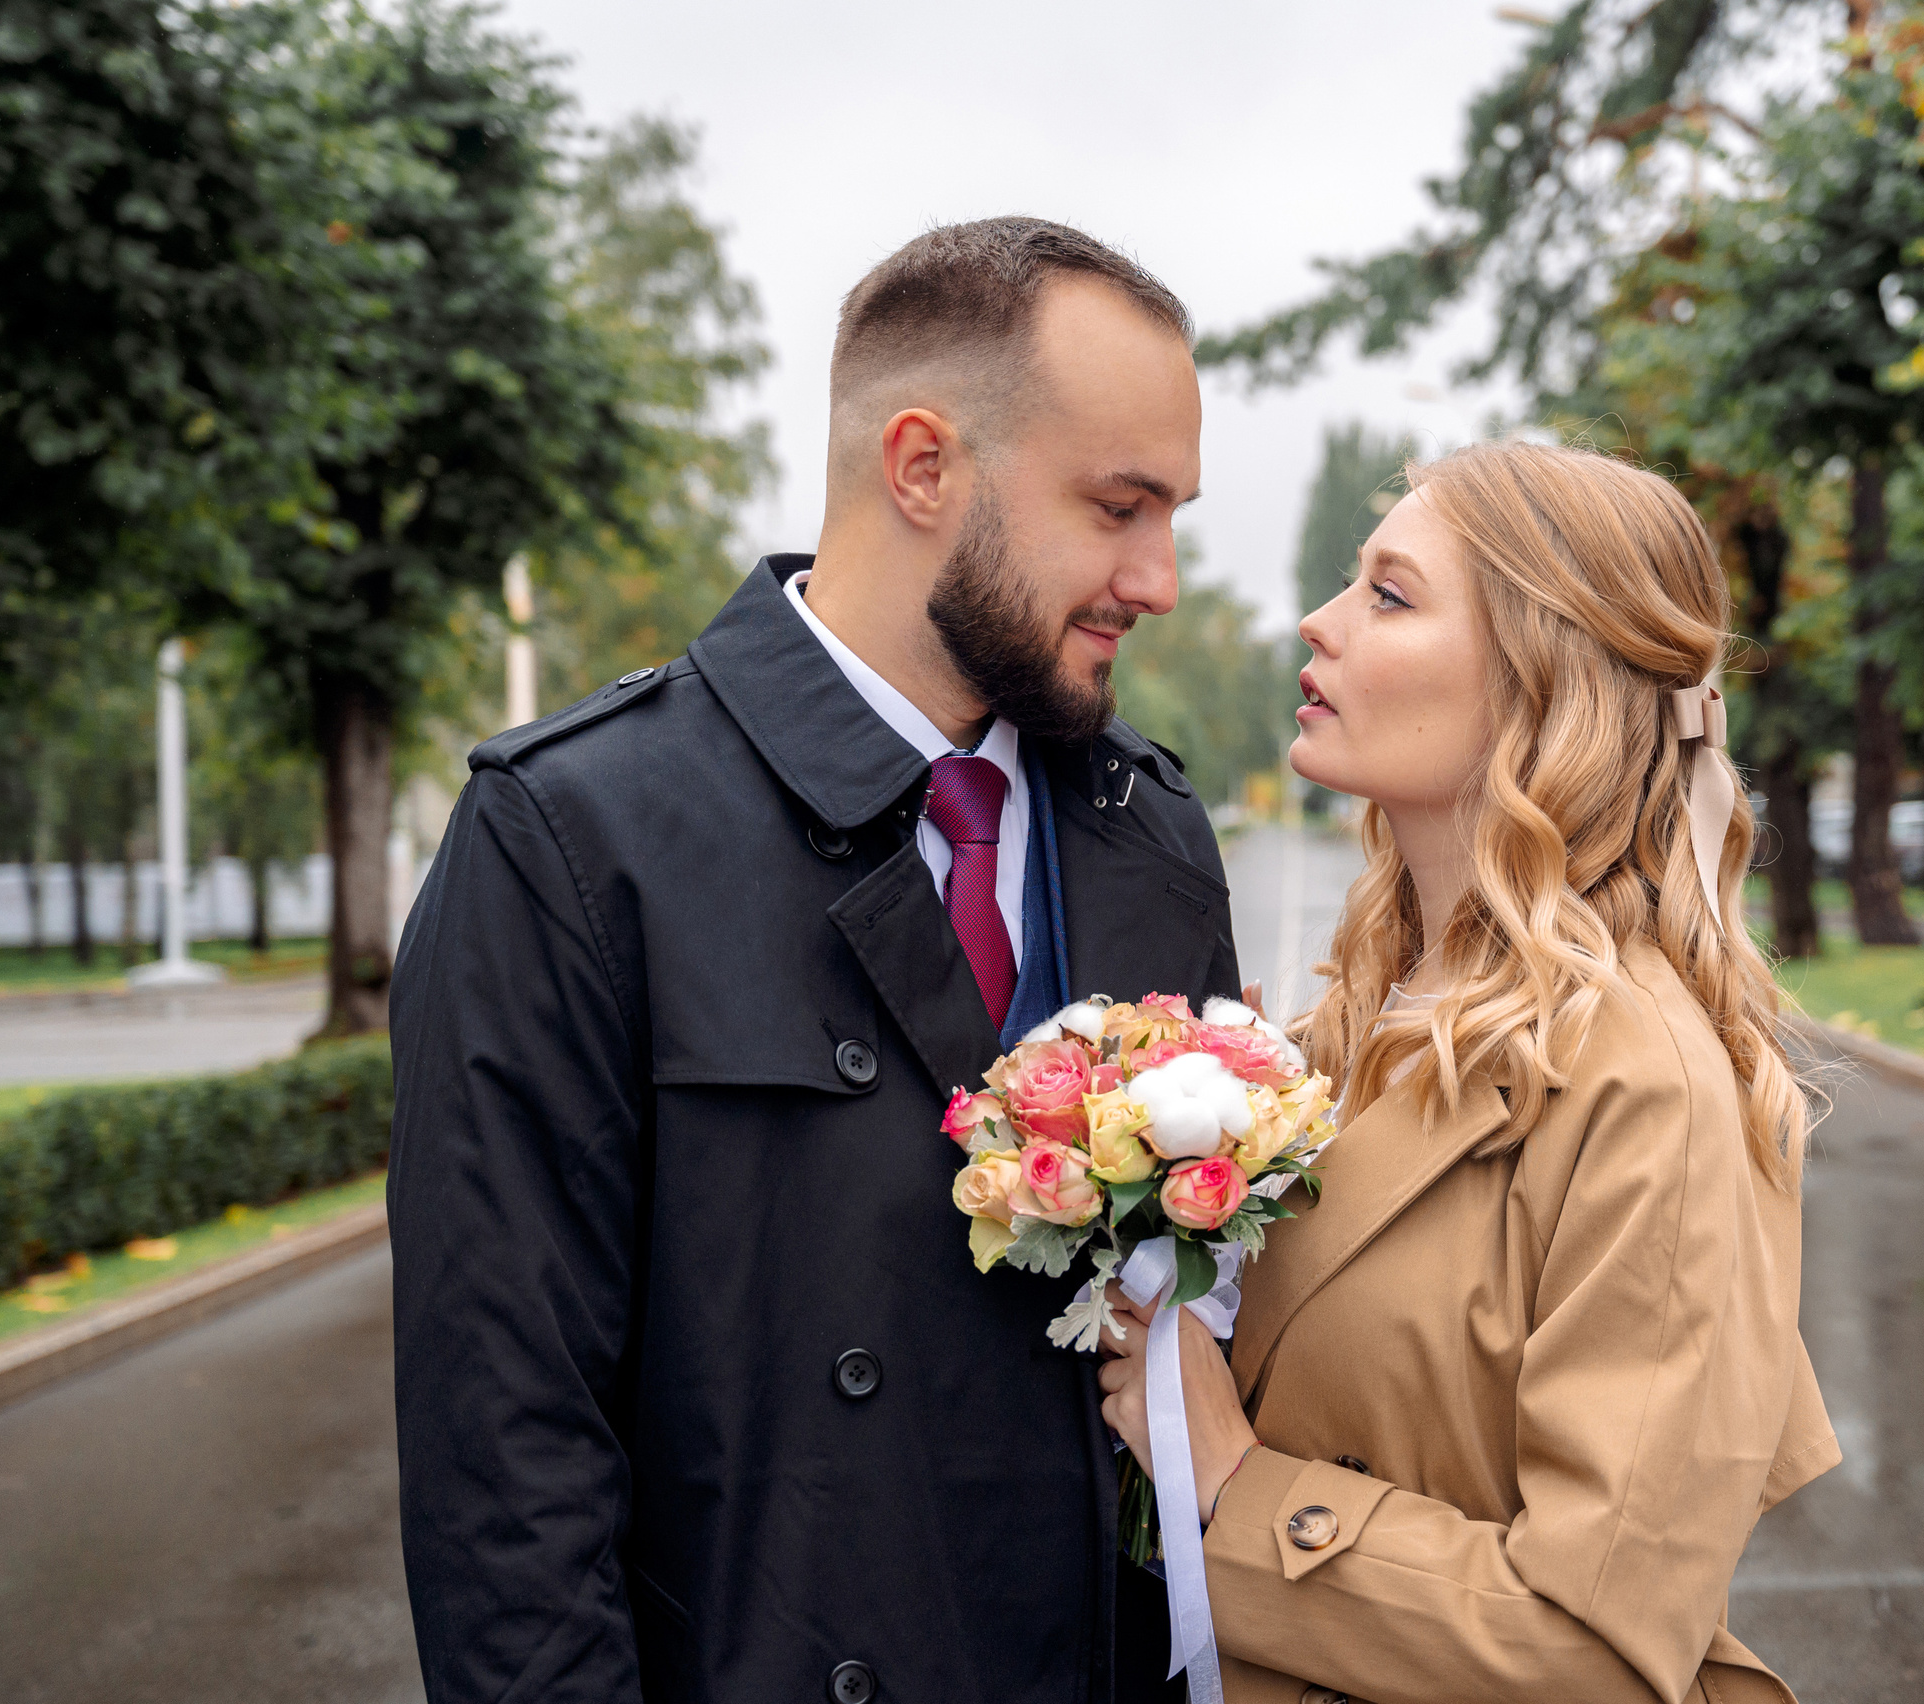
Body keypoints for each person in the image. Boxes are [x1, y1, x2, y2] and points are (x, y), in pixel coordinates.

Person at [388, 218, 1237, 1704]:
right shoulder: (575, 835)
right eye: (1119, 507)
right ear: (922, 467)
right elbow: (506, 1462)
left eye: (1173, 515)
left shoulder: (1149, 830)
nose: (1157, 577)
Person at [1098, 441, 1839, 1703]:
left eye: (1389, 596)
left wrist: (1232, 1485)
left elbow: (1597, 1651)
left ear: (1544, 680)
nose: (1319, 621)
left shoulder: (1645, 1086)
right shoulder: (1360, 1014)